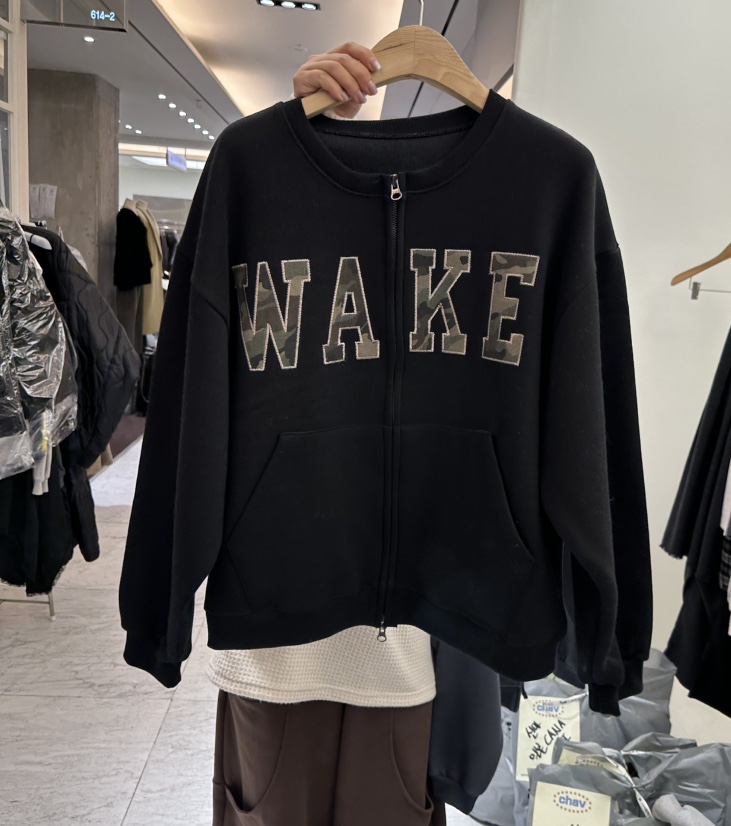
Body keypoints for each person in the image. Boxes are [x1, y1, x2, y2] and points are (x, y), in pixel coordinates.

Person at [209, 42, 445, 826]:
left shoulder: (481, 221)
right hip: (271, 648)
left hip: (401, 654)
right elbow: (198, 409)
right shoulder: (254, 185)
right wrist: (297, 137)